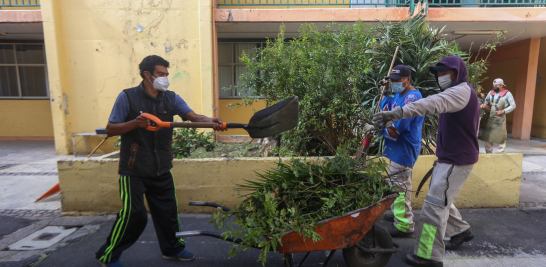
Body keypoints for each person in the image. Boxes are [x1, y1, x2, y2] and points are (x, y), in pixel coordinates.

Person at [95, 55, 225, 267]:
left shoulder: (171, 98)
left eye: (166, 74)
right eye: (160, 74)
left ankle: (172, 249)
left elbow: (192, 117)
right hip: (134, 169)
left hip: (162, 168)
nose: (165, 78)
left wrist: (211, 121)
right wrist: (135, 123)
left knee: (168, 214)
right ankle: (107, 254)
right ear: (147, 75)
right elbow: (111, 128)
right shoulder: (127, 97)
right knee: (134, 215)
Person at [373, 55, 479, 267]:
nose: (440, 77)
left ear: (457, 73)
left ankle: (429, 256)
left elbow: (430, 103)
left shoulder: (460, 92)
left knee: (433, 207)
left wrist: (398, 112)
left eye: (444, 73)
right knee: (439, 198)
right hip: (451, 158)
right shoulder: (457, 92)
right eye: (438, 74)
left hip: (455, 160)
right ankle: (460, 230)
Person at [377, 65, 425, 238]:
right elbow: (389, 105)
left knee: (401, 187)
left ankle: (404, 225)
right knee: (395, 185)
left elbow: (397, 127)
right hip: (396, 149)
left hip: (404, 149)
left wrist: (378, 128)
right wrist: (384, 93)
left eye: (397, 81)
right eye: (392, 81)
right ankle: (397, 213)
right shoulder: (400, 94)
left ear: (408, 80)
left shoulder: (412, 98)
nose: (394, 84)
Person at [479, 78, 516, 153]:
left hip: (500, 119)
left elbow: (513, 105)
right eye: (493, 85)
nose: (494, 87)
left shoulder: (507, 93)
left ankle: (501, 152)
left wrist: (503, 111)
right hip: (490, 117)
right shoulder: (491, 92)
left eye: (496, 85)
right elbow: (486, 101)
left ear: (501, 85)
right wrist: (484, 105)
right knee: (488, 135)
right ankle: (488, 152)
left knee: (501, 136)